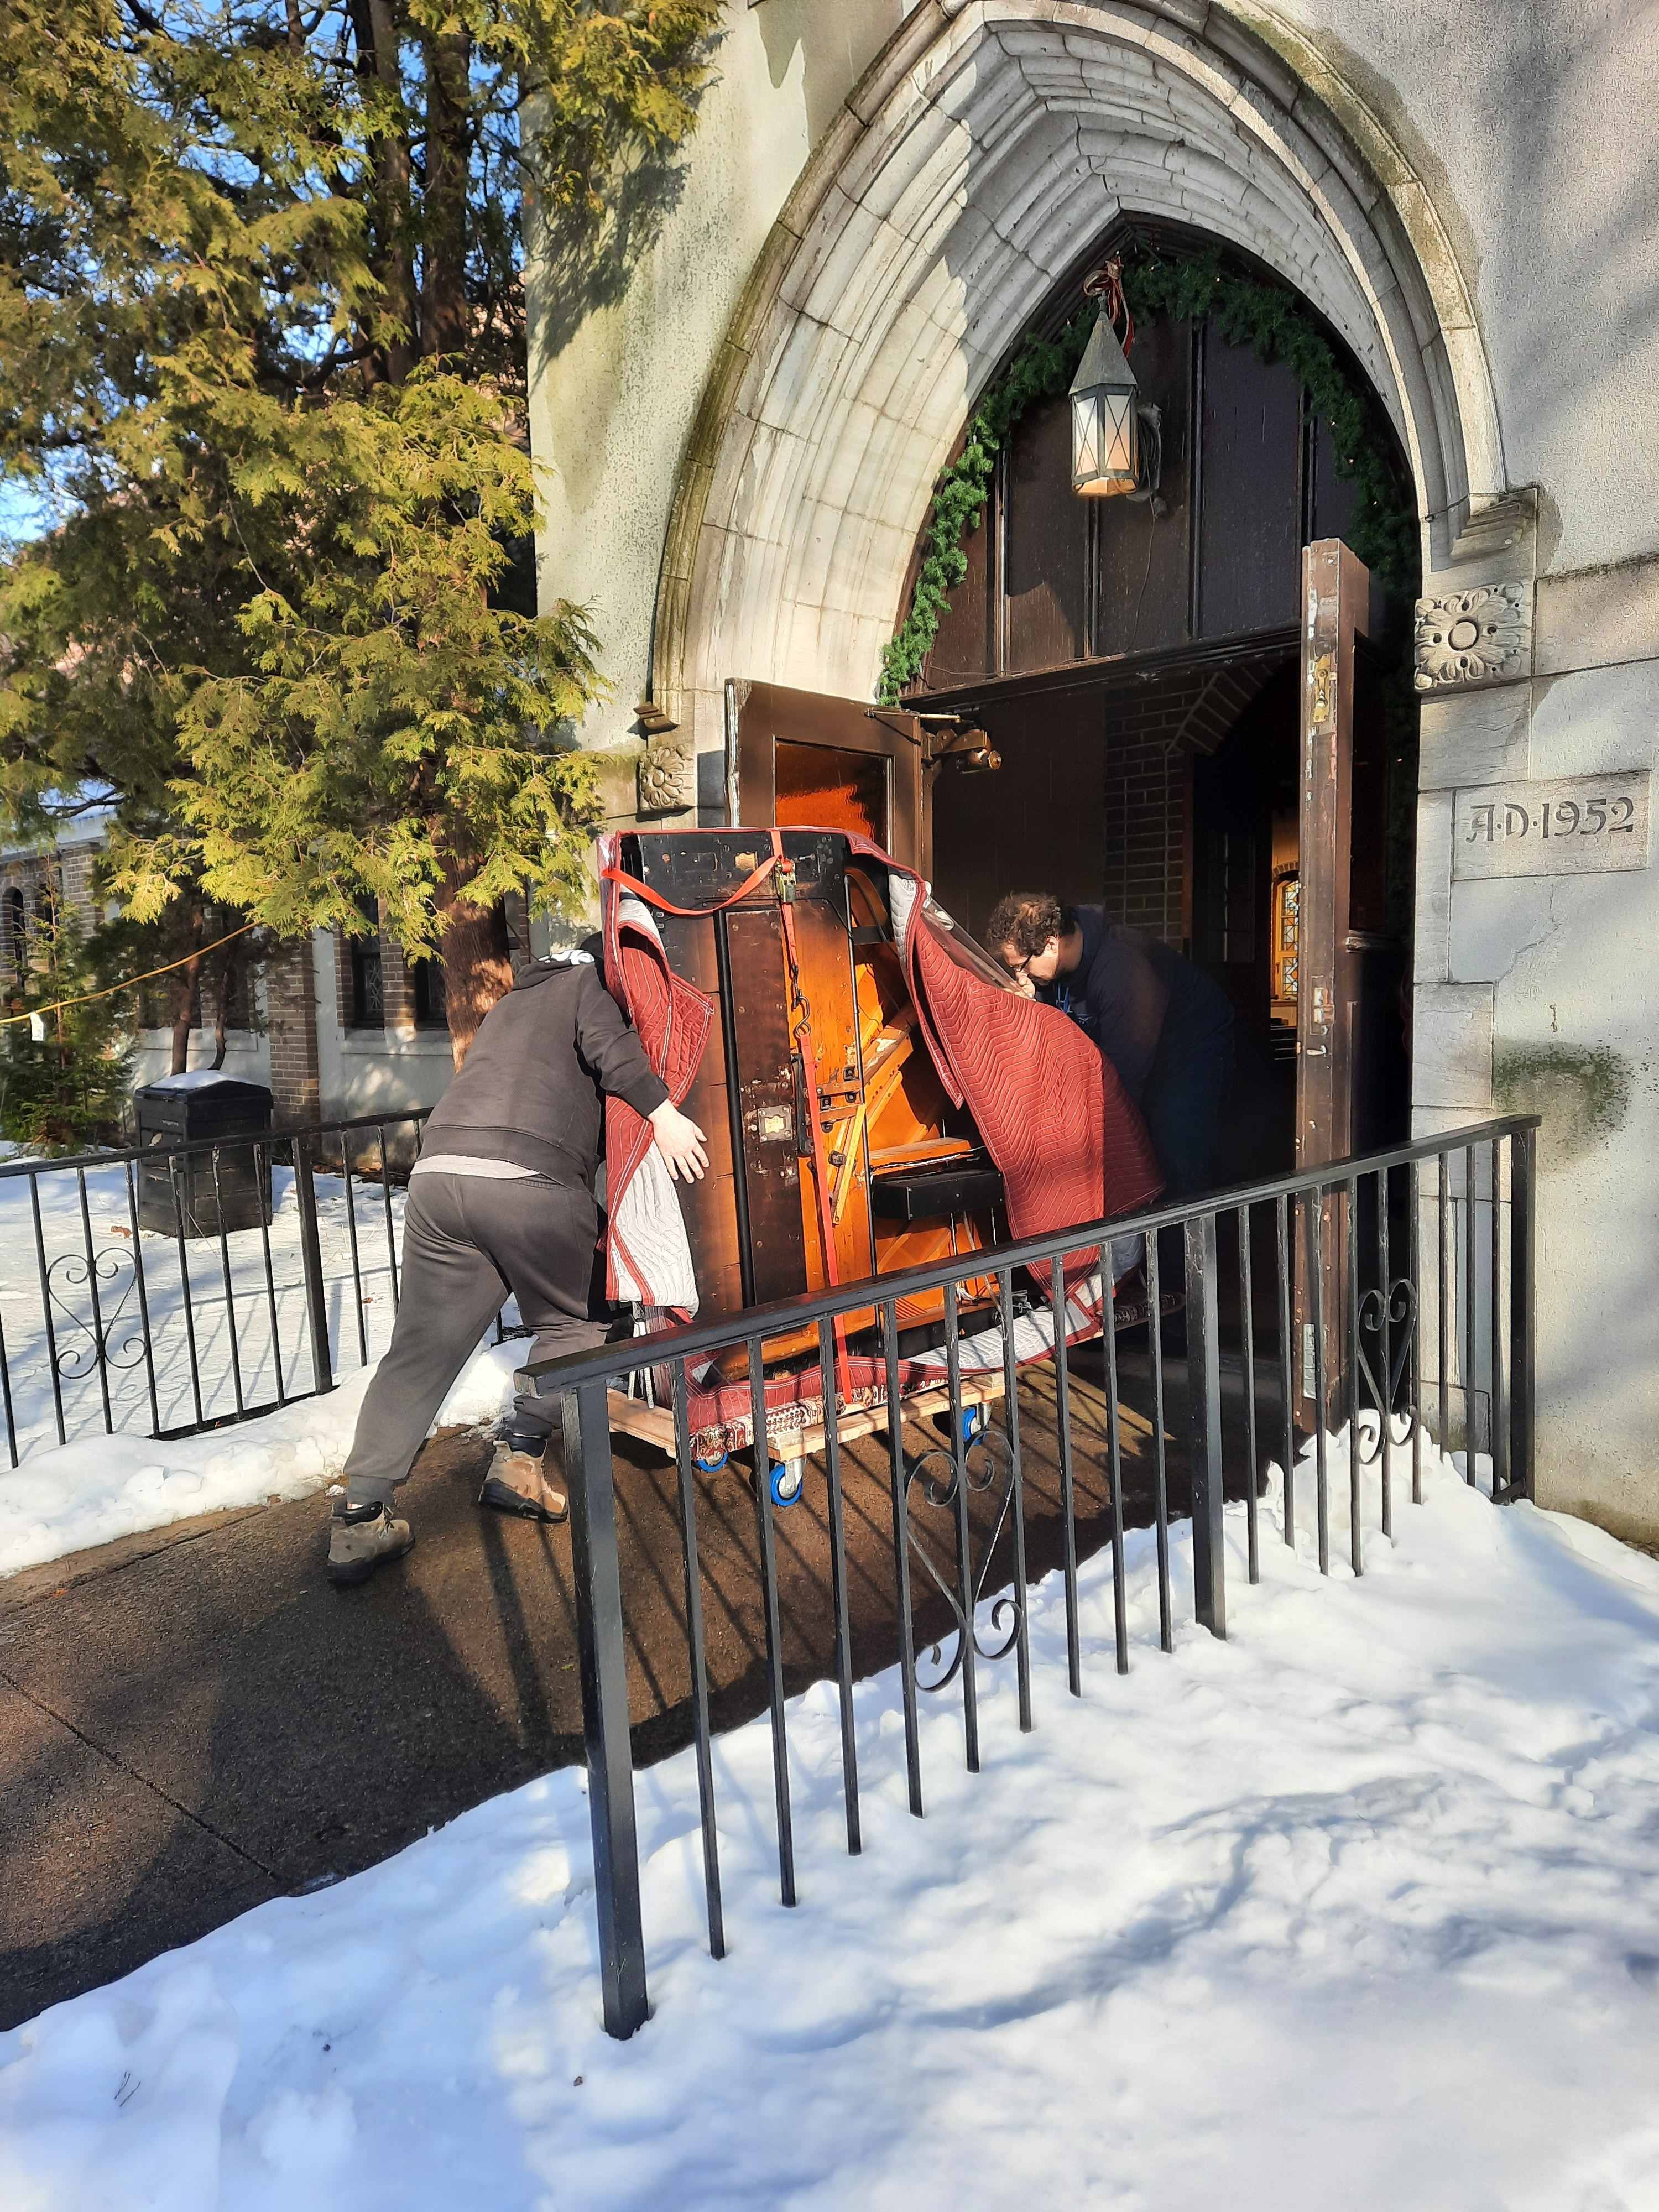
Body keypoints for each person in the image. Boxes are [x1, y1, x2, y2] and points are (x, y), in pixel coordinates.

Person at [326, 949, 707, 1587]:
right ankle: (520, 1456)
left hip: (438, 1178)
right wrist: (662, 1113)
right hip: (526, 1180)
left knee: (420, 1349)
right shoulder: (585, 983)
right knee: (582, 1321)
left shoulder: (510, 1005)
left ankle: (361, 1516)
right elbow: (610, 1048)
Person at [985, 891, 1235, 1202]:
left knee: (1176, 1144)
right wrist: (1031, 1002)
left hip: (1191, 1042)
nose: (1019, 975)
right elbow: (1061, 1033)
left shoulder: (1122, 970)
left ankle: (1186, 1226)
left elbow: (1125, 1077)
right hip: (1138, 1046)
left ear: (1050, 944)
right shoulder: (1055, 970)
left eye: (1022, 966)